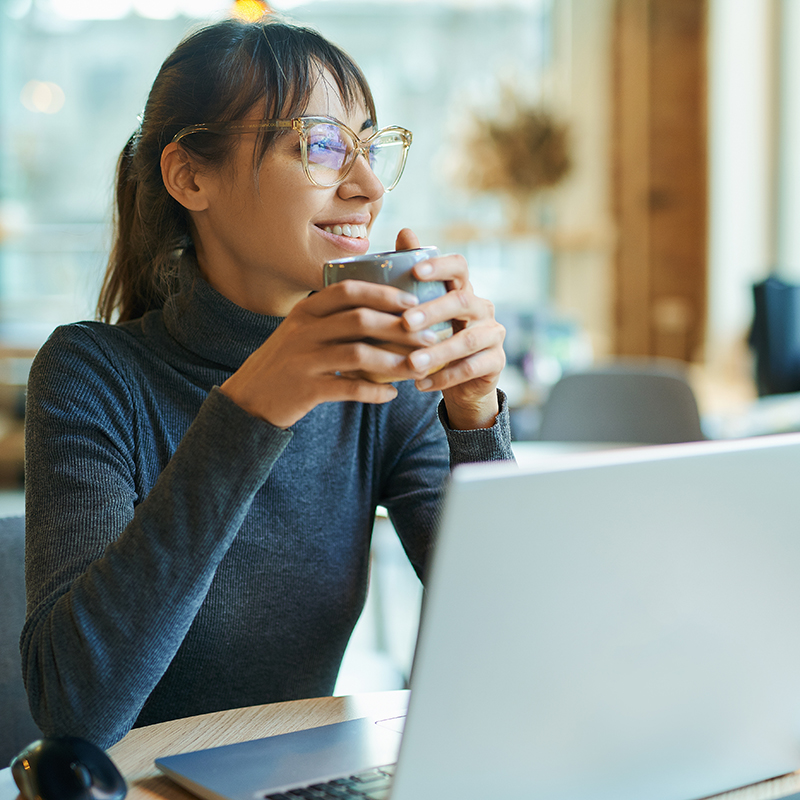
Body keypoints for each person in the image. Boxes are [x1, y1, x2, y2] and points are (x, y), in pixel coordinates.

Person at [21, 15, 513, 749]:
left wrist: (474, 422)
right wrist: (256, 408)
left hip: (303, 776)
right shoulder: (91, 376)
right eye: (320, 145)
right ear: (191, 175)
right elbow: (76, 711)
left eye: (370, 148)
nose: (369, 186)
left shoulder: (383, 386)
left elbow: (510, 640)